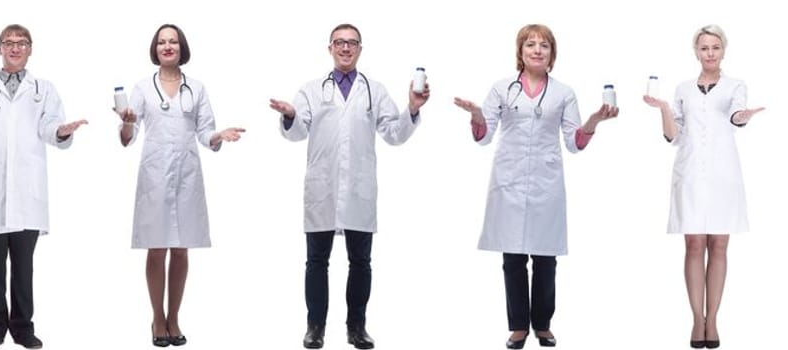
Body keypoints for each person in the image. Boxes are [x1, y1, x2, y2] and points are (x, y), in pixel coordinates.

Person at [449, 23, 619, 350]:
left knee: (545, 258)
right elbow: (484, 136)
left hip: (546, 181)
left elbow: (573, 141)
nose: (537, 50)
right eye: (530, 44)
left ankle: (542, 325)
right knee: (512, 257)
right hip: (509, 180)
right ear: (521, 52)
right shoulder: (503, 88)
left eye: (544, 45)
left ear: (552, 54)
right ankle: (517, 327)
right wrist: (475, 116)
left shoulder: (563, 93)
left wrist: (594, 121)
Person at [267, 23, 427, 350]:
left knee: (361, 262)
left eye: (352, 43)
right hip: (322, 189)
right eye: (339, 42)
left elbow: (394, 134)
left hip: (358, 189)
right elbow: (297, 132)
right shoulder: (312, 89)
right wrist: (289, 115)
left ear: (360, 49)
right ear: (329, 48)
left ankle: (357, 327)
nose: (345, 48)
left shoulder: (375, 90)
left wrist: (411, 108)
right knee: (316, 261)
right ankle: (315, 327)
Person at [0, 24, 84, 350]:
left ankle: (23, 328)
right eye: (9, 43)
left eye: (21, 43)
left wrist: (63, 131)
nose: (15, 48)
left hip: (28, 193)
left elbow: (50, 128)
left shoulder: (44, 89)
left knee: (24, 268)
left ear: (30, 49)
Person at [117, 23, 245, 349]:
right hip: (155, 176)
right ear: (155, 49)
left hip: (187, 175)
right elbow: (127, 137)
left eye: (173, 41)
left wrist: (218, 136)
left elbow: (206, 131)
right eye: (162, 42)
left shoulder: (196, 88)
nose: (168, 46)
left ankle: (174, 317)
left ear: (181, 47)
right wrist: (128, 123)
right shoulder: (143, 87)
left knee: (181, 247)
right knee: (156, 247)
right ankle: (157, 318)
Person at [642, 25, 764, 350]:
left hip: (724, 175)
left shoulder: (736, 85)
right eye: (704, 48)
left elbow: (736, 115)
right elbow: (673, 136)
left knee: (720, 246)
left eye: (715, 47)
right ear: (696, 51)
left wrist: (744, 116)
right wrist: (665, 109)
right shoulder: (683, 89)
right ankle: (698, 319)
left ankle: (714, 320)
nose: (709, 53)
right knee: (694, 245)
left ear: (723, 50)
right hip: (690, 174)